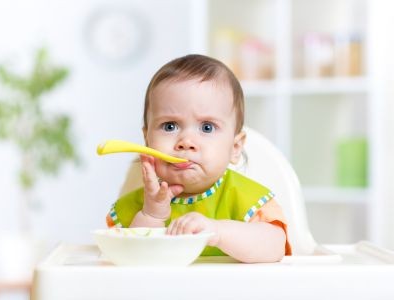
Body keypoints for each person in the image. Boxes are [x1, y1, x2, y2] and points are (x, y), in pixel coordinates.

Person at [106, 54, 291, 262]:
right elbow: (130, 260)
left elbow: (275, 248)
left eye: (207, 127)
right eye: (170, 126)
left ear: (235, 147)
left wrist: (218, 231)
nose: (186, 141)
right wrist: (152, 215)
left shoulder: (247, 200)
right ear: (147, 140)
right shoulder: (138, 205)